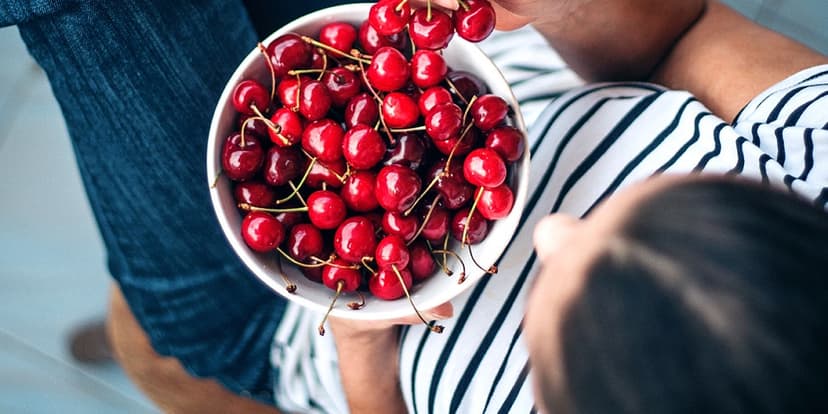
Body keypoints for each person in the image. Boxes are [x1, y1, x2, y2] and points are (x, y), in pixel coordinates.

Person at [2, 1, 825, 414]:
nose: (549, 226)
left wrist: (362, 343)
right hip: (432, 77)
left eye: (559, 299)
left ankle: (142, 334)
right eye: (657, 205)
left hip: (283, 320)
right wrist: (546, 3)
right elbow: (676, 31)